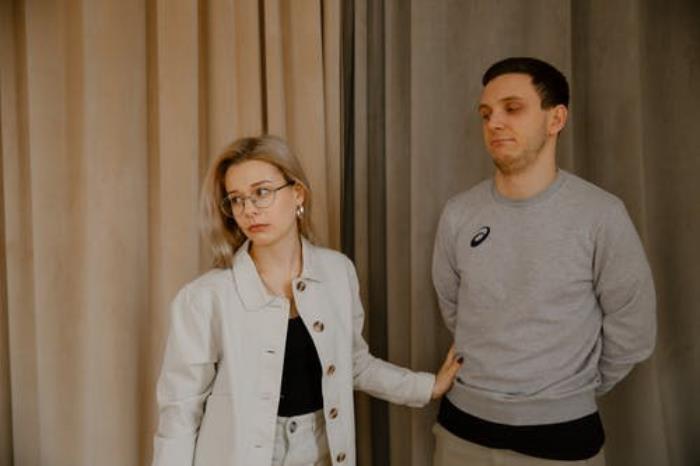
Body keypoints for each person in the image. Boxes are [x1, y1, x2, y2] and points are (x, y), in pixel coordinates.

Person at [152, 135, 462, 466]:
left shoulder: (338, 272)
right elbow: (180, 412)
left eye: (261, 192)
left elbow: (353, 363)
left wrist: (427, 387)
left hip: (324, 450)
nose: (249, 209)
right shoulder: (204, 298)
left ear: (297, 193)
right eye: (237, 199)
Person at [431, 57, 656, 465]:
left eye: (512, 108)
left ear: (556, 119)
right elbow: (455, 308)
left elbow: (634, 328)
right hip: (461, 431)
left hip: (562, 439)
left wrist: (567, 390)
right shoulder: (458, 214)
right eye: (486, 113)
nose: (494, 123)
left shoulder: (601, 215)